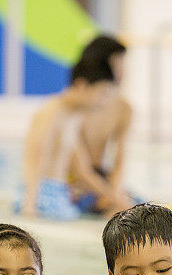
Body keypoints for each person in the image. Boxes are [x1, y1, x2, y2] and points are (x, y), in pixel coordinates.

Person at [21, 58, 129, 220]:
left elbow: (82, 171)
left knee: (113, 213)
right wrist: (29, 205)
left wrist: (119, 201)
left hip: (57, 194)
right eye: (101, 94)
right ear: (81, 85)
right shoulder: (52, 111)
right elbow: (35, 156)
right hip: (41, 195)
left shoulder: (73, 117)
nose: (103, 102)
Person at [69, 35, 133, 215]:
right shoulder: (77, 107)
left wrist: (115, 192)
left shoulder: (124, 109)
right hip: (74, 183)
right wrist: (113, 197)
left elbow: (120, 161)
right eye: (117, 63)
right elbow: (79, 169)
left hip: (103, 180)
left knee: (140, 210)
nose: (122, 71)